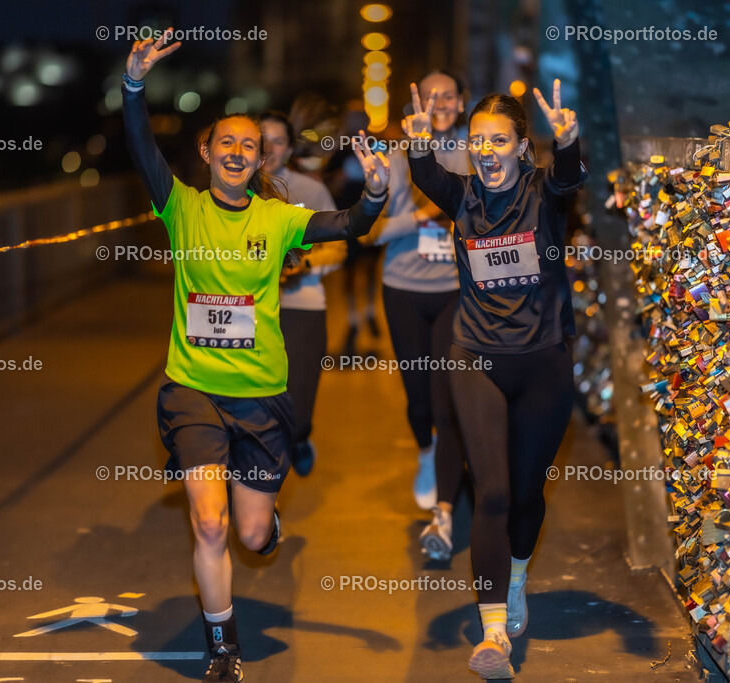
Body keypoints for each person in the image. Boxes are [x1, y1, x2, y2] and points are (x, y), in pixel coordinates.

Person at [122, 32, 389, 682]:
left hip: (264, 395)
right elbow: (140, 146)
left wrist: (375, 193)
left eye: (250, 145)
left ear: (257, 157)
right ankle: (224, 648)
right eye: (227, 143)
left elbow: (350, 225)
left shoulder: (277, 217)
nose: (239, 152)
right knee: (208, 525)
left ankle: (266, 524)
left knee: (248, 534)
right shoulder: (180, 206)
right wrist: (133, 84)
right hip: (193, 390)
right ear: (206, 153)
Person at [403, 80, 584, 679]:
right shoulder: (463, 198)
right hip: (475, 355)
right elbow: (427, 175)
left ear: (520, 147)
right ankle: (492, 636)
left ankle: (517, 577)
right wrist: (421, 142)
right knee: (494, 493)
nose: (486, 150)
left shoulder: (544, 193)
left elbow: (568, 178)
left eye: (498, 140)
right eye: (478, 140)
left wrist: (571, 141)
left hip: (544, 361)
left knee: (528, 497)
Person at [367, 71, 470, 556]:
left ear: (462, 102)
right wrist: (425, 216)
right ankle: (426, 452)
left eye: (448, 95)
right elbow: (371, 232)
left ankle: (446, 504)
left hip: (455, 288)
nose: (440, 103)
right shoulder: (395, 153)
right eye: (430, 97)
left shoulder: (479, 149)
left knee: (445, 390)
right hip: (403, 288)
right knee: (418, 398)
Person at [261, 111, 346, 476]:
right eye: (260, 140)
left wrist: (300, 266)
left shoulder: (309, 190)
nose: (268, 149)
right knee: (258, 407)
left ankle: (299, 436)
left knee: (297, 404)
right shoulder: (235, 190)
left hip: (302, 306)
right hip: (249, 312)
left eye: (278, 141)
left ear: (290, 147)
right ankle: (263, 497)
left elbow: (339, 246)